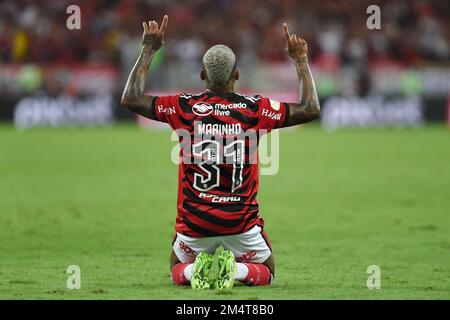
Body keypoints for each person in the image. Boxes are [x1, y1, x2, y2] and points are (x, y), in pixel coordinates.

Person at [121, 15, 320, 289]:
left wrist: (149, 50)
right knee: (268, 271)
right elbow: (310, 109)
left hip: (195, 225)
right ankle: (237, 270)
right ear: (237, 75)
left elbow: (130, 98)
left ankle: (193, 272)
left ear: (202, 76)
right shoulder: (256, 109)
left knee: (177, 268)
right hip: (241, 225)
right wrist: (300, 59)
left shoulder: (183, 107)